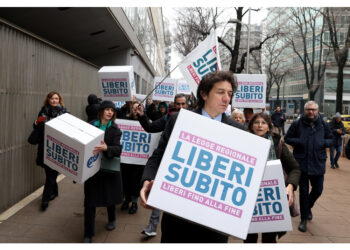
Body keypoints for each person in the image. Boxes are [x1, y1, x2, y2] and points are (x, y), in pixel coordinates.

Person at [140, 71, 244, 243]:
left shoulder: (237, 130)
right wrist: (147, 180)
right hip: (177, 221)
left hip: (215, 225)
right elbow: (159, 155)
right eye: (220, 92)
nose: (227, 99)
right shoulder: (178, 120)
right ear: (204, 94)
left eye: (230, 94)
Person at [135, 94, 189, 237]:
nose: (181, 107)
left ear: (188, 105)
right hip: (167, 163)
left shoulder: (195, 119)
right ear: (174, 105)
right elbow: (150, 126)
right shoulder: (168, 118)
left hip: (186, 167)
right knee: (157, 191)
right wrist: (142, 115)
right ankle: (152, 226)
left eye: (183, 104)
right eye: (178, 104)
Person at [244, 113, 301, 243]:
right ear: (251, 125)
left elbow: (295, 168)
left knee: (269, 238)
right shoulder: (243, 141)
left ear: (269, 127)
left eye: (263, 123)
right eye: (256, 122)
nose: (259, 125)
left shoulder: (277, 143)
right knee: (249, 237)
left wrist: (290, 186)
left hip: (271, 197)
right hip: (249, 197)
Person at [284, 101, 333, 233]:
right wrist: (300, 141)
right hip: (302, 163)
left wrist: (322, 142)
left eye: (313, 110)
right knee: (304, 193)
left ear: (317, 111)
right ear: (304, 110)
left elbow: (331, 139)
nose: (311, 112)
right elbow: (288, 138)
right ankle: (304, 219)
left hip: (318, 162)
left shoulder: (323, 124)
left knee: (318, 189)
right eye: (308, 109)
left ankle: (308, 207)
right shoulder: (297, 124)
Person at [83, 100, 123, 243]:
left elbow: (118, 150)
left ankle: (111, 218)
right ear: (101, 111)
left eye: (112, 110)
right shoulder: (90, 125)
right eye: (107, 109)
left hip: (108, 169)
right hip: (91, 169)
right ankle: (88, 233)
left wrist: (107, 149)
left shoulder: (115, 130)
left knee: (109, 198)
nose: (109, 112)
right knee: (89, 202)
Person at [33, 91, 68, 211]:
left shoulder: (64, 112)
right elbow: (36, 126)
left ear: (59, 100)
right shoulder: (43, 111)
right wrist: (37, 122)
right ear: (48, 100)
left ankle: (45, 199)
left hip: (57, 146)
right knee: (49, 172)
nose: (54, 100)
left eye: (56, 98)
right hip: (44, 145)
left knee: (51, 174)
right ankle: (54, 192)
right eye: (52, 98)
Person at [120, 101, 145, 215]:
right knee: (125, 179)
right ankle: (127, 199)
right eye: (134, 108)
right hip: (126, 159)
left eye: (138, 108)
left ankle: (134, 202)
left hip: (139, 161)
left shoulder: (146, 121)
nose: (136, 110)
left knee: (136, 181)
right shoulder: (124, 120)